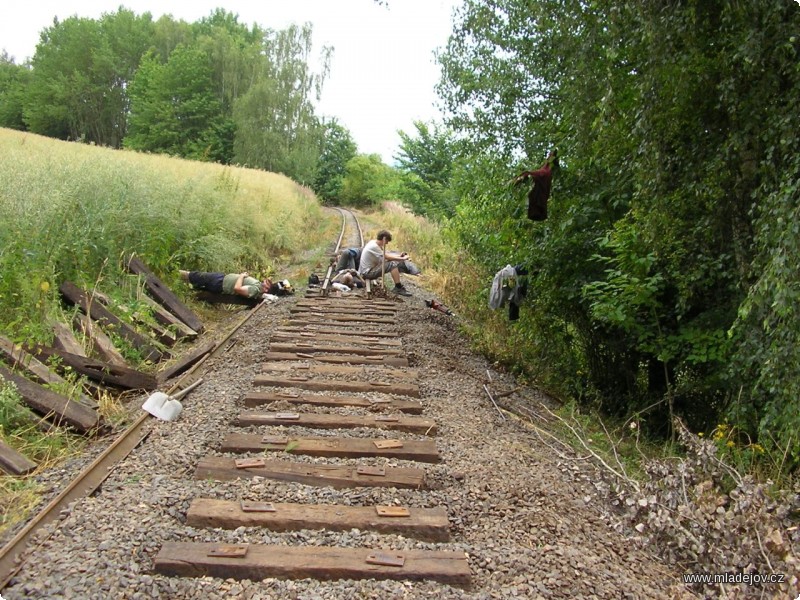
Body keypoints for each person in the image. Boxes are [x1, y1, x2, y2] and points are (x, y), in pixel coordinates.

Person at [358, 230, 413, 296]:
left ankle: (398, 286)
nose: (387, 243)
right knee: (392, 264)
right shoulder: (374, 247)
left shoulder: (373, 242)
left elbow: (385, 254)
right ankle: (398, 288)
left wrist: (399, 256)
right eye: (387, 241)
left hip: (368, 270)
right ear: (384, 239)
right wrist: (403, 259)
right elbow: (387, 257)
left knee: (391, 262)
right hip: (367, 273)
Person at [513, 149, 558, 221]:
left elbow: (540, 174)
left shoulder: (547, 170)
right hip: (538, 193)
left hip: (539, 194)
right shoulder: (545, 169)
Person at [179, 270, 272, 299]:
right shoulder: (258, 286)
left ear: (267, 290)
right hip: (221, 279)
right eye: (266, 281)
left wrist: (241, 276)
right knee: (197, 278)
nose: (264, 281)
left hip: (219, 283)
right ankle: (178, 280)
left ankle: (174, 273)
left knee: (195, 276)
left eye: (266, 284)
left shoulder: (255, 290)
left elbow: (237, 288)